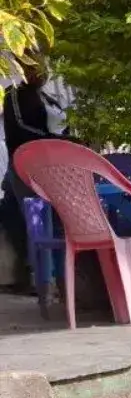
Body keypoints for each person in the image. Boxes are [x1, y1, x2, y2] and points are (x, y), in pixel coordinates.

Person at [0, 59, 73, 280]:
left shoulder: (49, 98)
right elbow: (19, 128)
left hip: (56, 165)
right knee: (35, 218)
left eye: (43, 68)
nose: (40, 73)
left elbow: (63, 125)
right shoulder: (15, 94)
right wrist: (55, 141)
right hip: (28, 164)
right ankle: (40, 275)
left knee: (54, 219)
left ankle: (55, 273)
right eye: (34, 67)